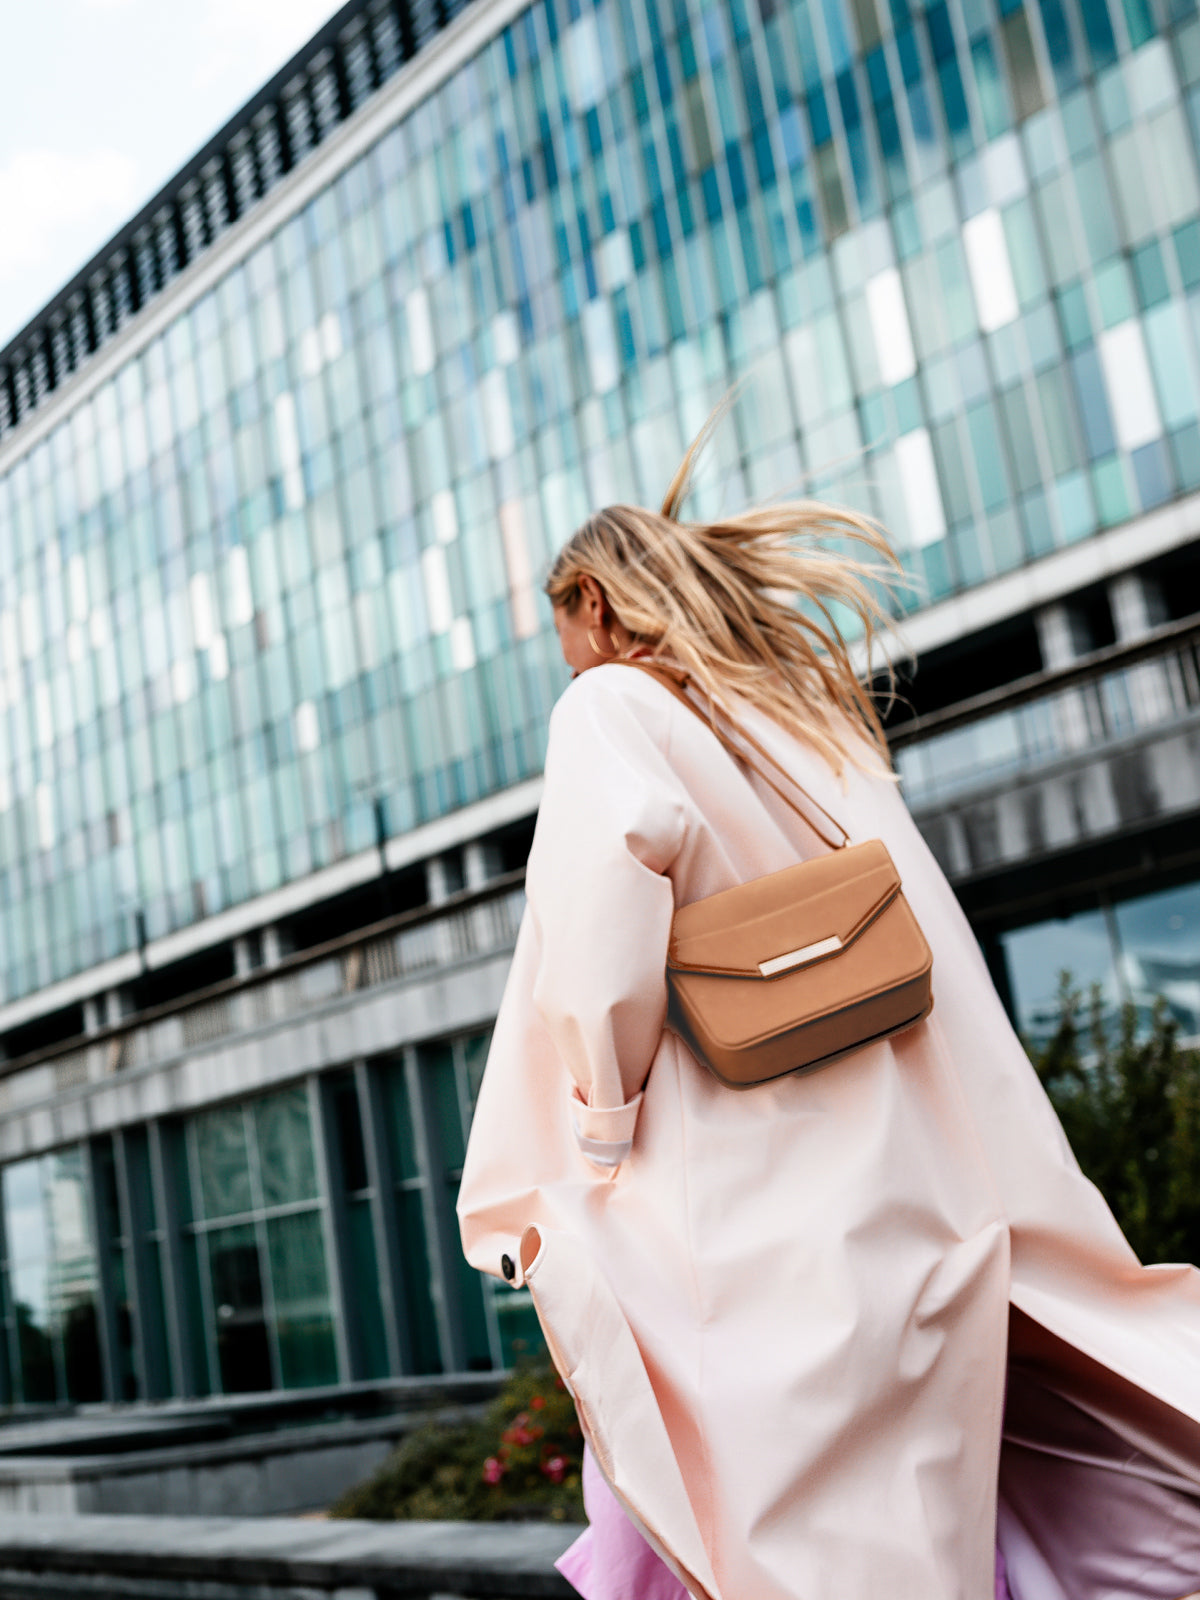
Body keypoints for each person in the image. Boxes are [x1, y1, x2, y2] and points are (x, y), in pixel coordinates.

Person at [457, 416, 1200, 1600]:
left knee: (726, 1517)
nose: (569, 662)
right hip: (920, 1195)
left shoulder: (610, 707)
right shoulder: (804, 722)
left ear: (593, 601)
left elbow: (602, 945)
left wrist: (600, 1127)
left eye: (564, 635)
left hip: (754, 1220)